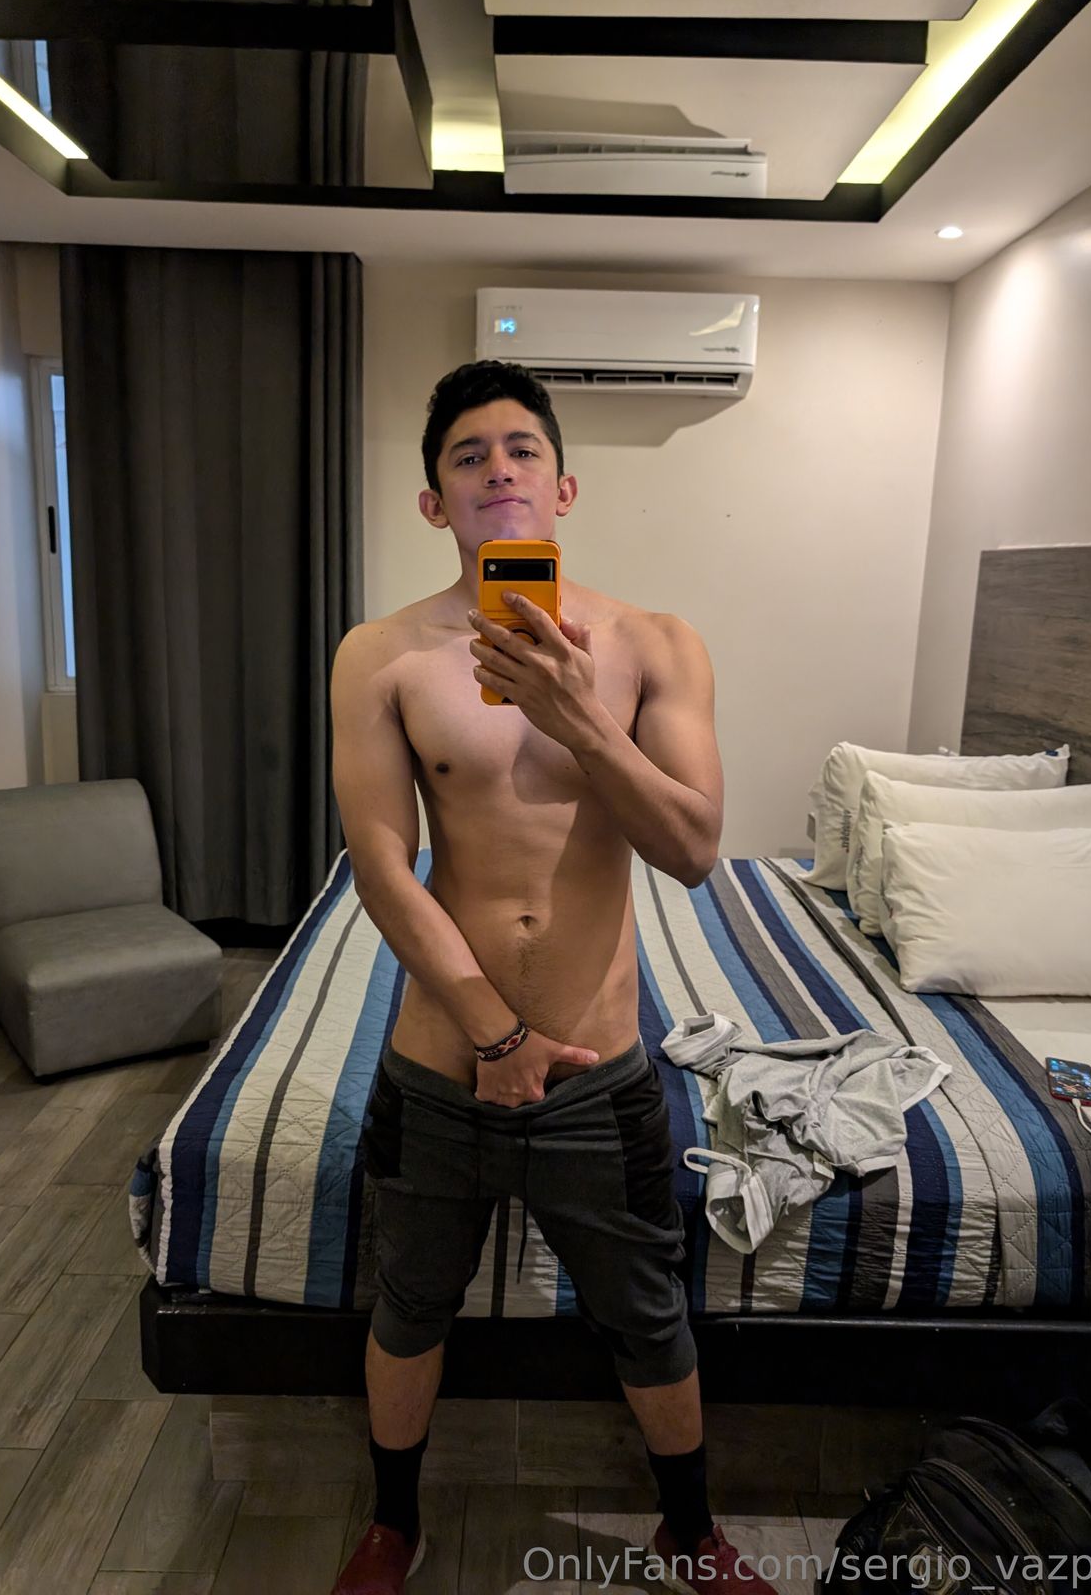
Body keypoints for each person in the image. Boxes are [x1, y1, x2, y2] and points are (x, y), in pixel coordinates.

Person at [328, 360, 773, 1595]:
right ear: (435, 503)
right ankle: (393, 1525)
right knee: (408, 1305)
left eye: (521, 448)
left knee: (646, 1312)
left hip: (596, 1064)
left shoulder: (652, 644)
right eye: (467, 456)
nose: (499, 469)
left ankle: (688, 1531)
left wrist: (579, 716)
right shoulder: (378, 655)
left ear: (562, 488)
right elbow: (380, 868)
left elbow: (691, 850)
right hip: (442, 1064)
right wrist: (492, 1032)